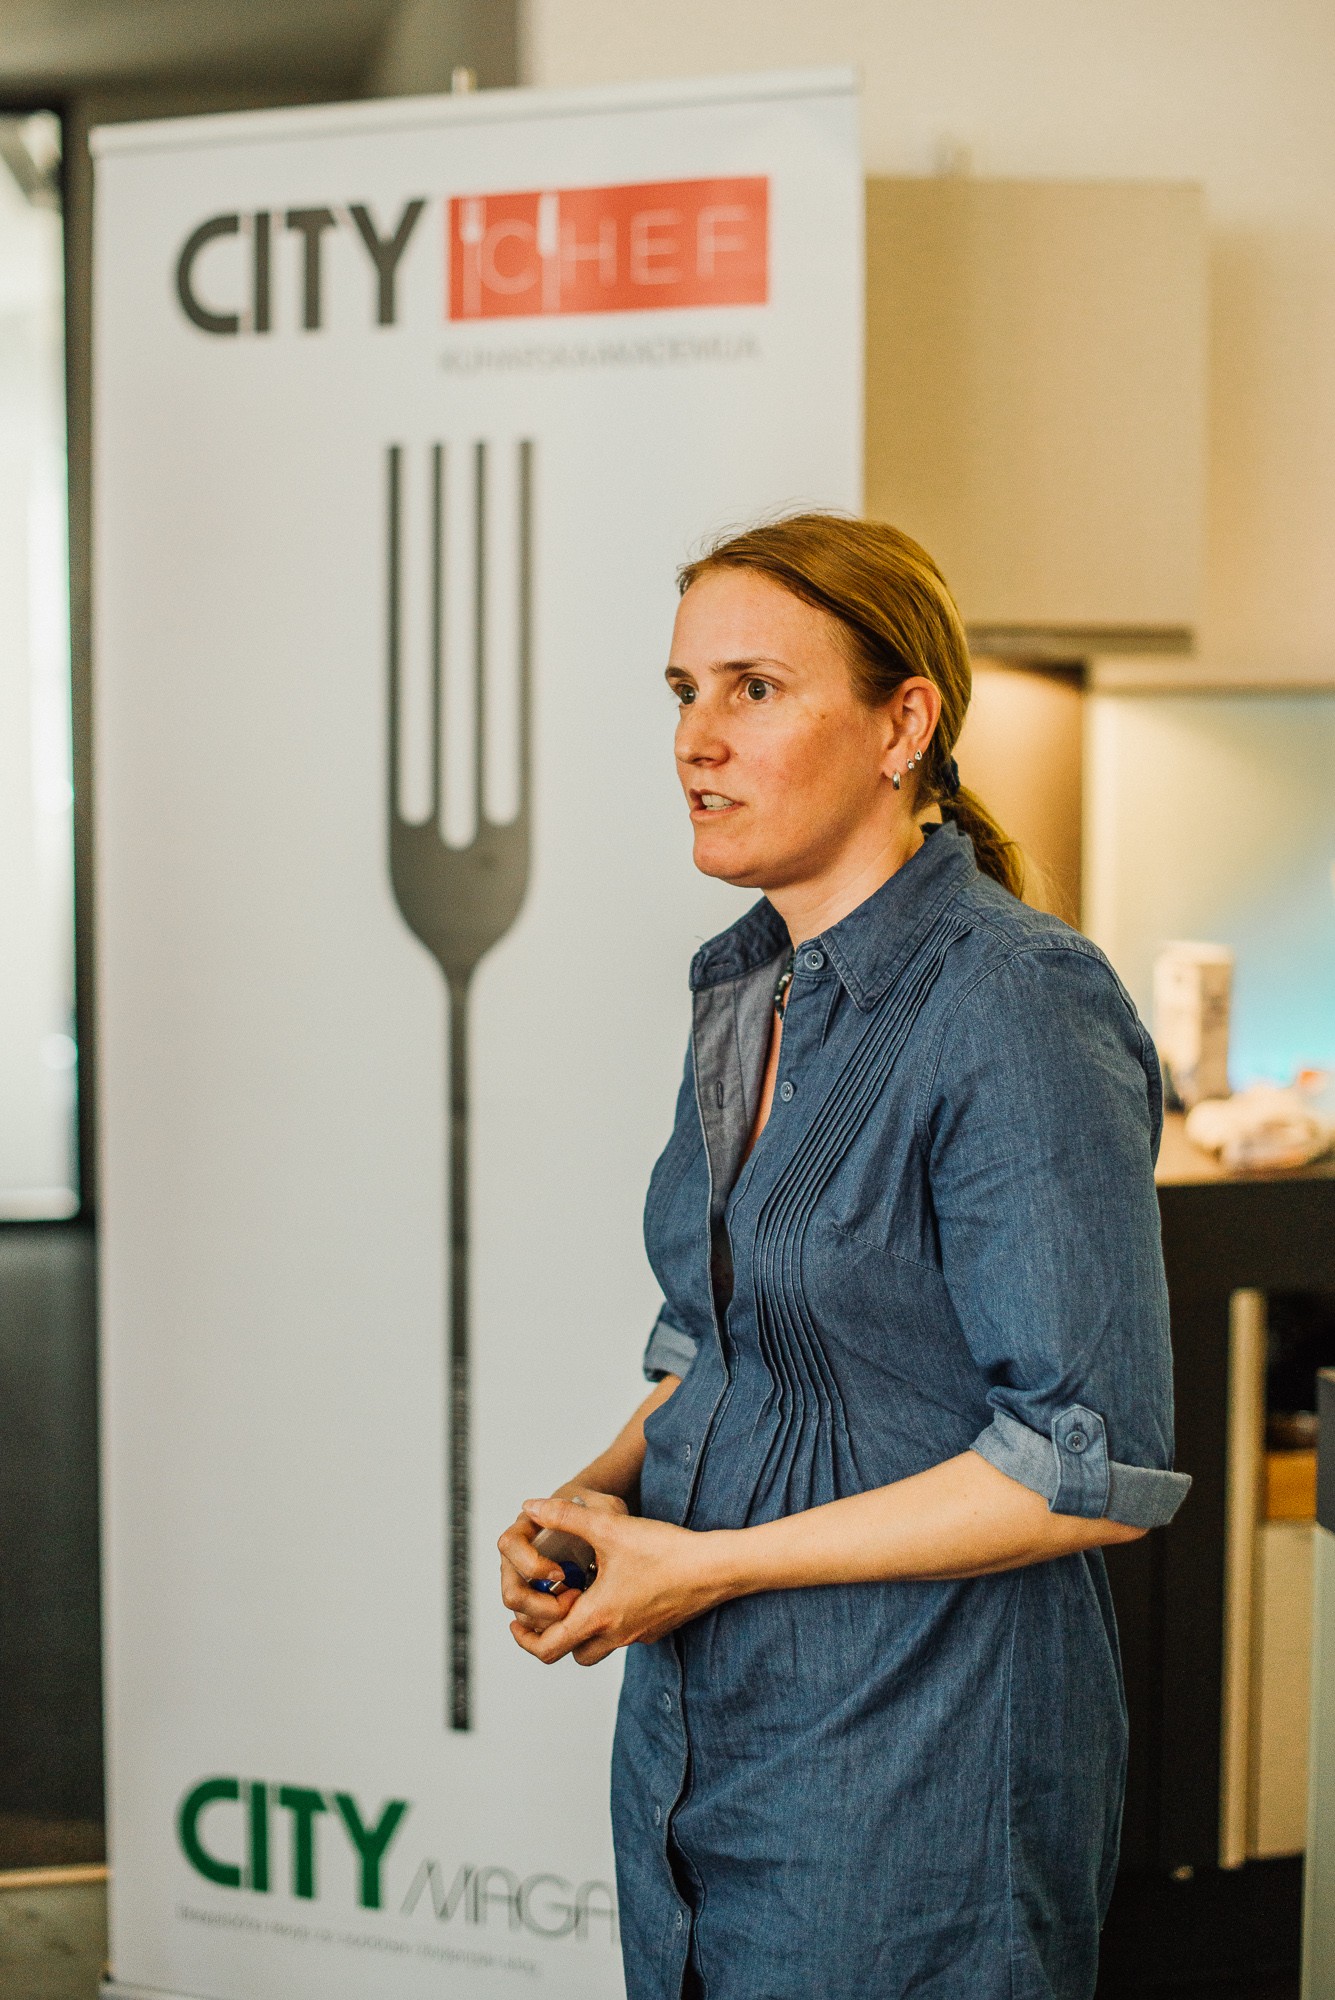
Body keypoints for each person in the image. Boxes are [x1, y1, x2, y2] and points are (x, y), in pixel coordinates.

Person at [497, 515, 1188, 2000]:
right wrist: (599, 1497)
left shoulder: (1018, 1001)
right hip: (700, 1747)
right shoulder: (748, 988)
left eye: (754, 689)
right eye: (684, 692)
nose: (697, 740)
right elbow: (720, 1346)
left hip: (915, 1770)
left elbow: (1083, 1461)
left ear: (902, 725)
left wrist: (705, 1566)